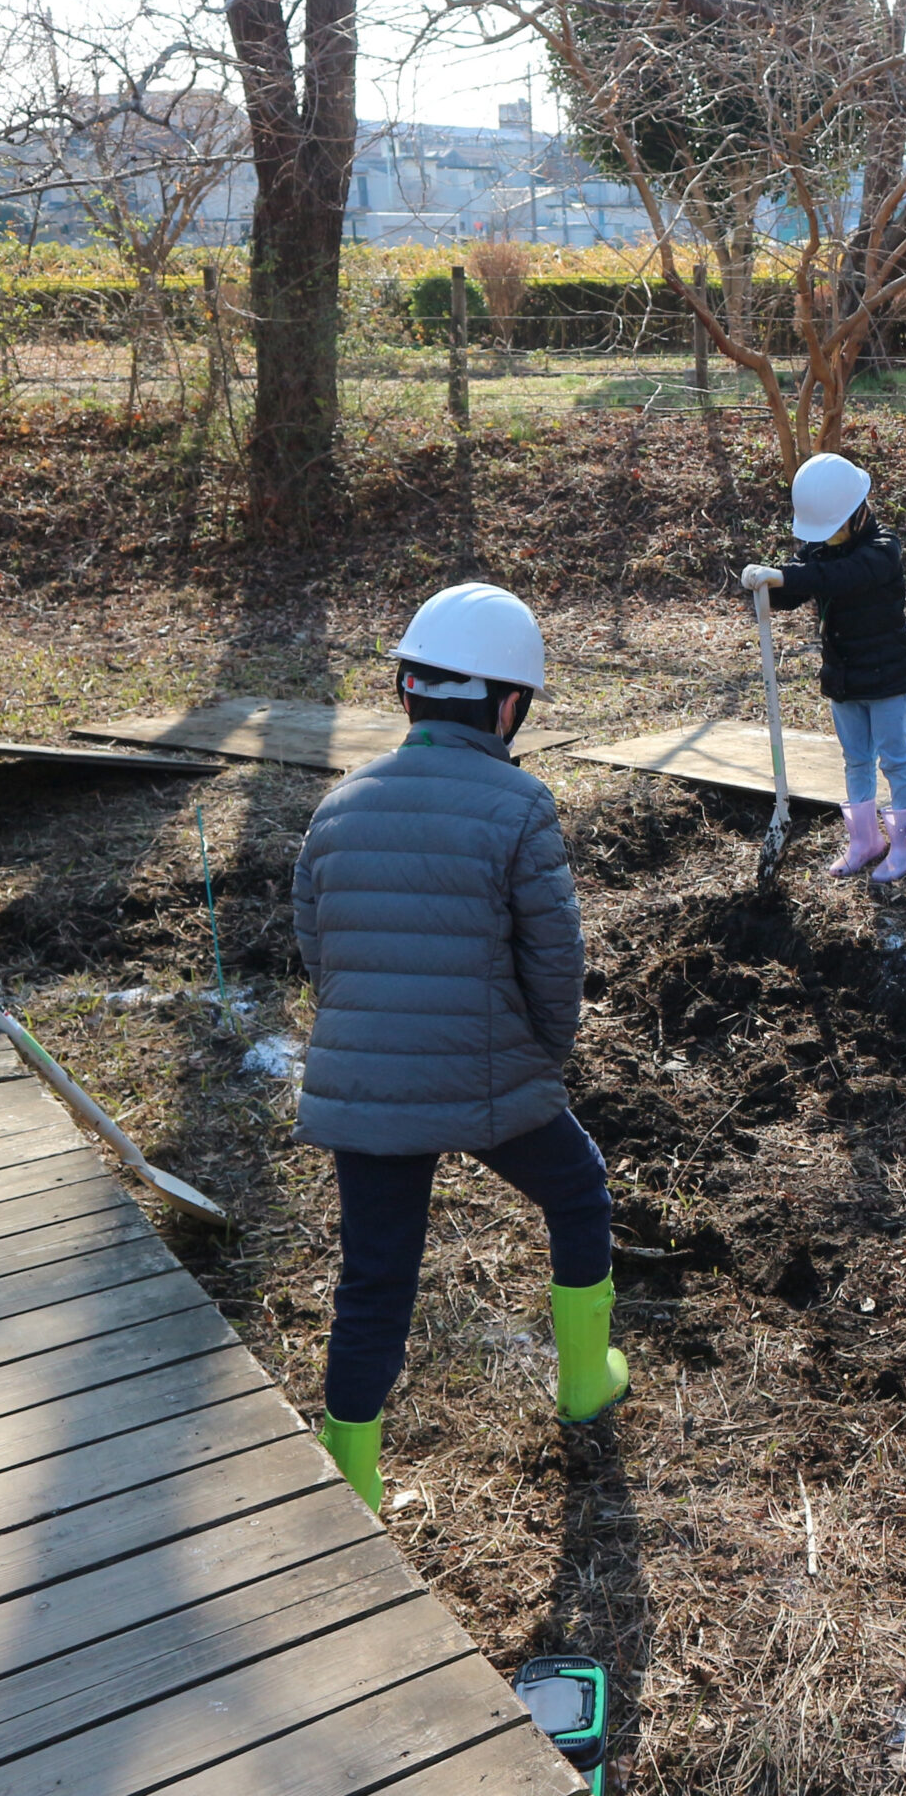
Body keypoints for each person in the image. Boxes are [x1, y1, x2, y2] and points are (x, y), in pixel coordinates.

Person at [293, 582, 626, 1513]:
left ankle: (353, 1475)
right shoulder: (521, 806)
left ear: (407, 691)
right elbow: (555, 964)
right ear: (511, 706)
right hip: (492, 1074)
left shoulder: (340, 806)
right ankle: (585, 1380)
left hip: (366, 1082)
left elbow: (318, 948)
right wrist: (541, 1060)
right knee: (577, 1190)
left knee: (374, 1279)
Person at [742, 451, 906, 883]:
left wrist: (788, 577)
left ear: (854, 515)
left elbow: (840, 577)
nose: (822, 541)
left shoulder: (882, 551)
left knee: (895, 759)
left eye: (830, 531)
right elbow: (798, 584)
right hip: (844, 678)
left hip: (888, 679)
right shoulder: (822, 551)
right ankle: (865, 840)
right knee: (855, 759)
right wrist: (765, 583)